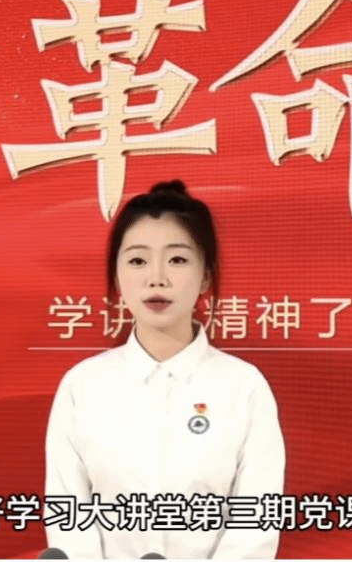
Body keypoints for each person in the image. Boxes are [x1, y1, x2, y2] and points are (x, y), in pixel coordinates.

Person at [44, 180, 286, 559]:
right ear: (117, 276)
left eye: (177, 260)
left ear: (205, 276)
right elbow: (68, 515)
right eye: (137, 261)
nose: (156, 277)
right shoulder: (83, 386)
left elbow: (255, 524)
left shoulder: (243, 387)